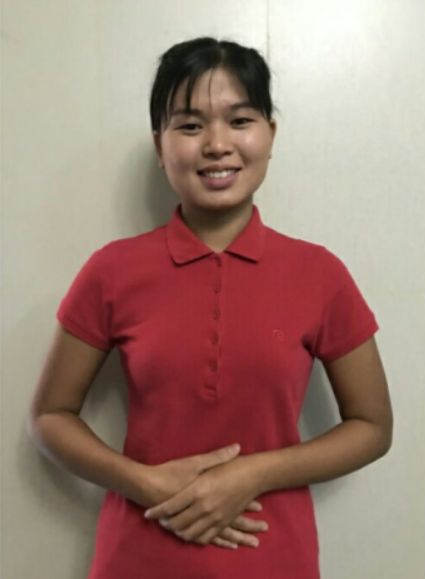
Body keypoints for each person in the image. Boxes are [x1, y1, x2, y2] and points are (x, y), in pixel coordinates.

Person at [28, 36, 393, 579]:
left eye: (240, 120)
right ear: (161, 145)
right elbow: (50, 416)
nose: (217, 144)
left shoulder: (320, 274)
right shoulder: (113, 269)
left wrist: (251, 474)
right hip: (137, 556)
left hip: (274, 559)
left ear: (271, 135)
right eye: (190, 126)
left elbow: (372, 426)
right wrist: (145, 482)